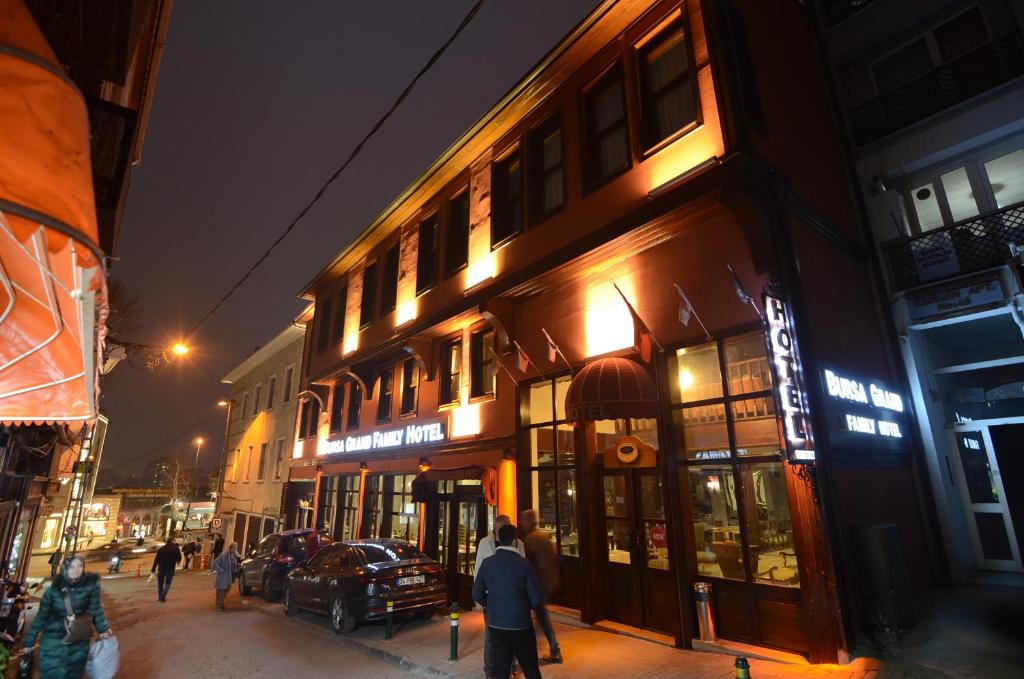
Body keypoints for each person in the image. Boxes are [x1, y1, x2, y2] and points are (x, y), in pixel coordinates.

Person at [23, 555, 112, 679]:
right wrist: (29, 640)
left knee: (73, 673)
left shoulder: (90, 587)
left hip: (78, 639)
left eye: (80, 566)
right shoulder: (52, 591)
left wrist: (103, 629)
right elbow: (42, 616)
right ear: (65, 568)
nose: (76, 569)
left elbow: (95, 608)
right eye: (72, 566)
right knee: (52, 672)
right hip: (54, 638)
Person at [473, 524, 543, 679]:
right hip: (521, 625)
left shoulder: (487, 563)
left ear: (499, 540)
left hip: (496, 625)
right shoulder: (523, 564)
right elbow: (536, 598)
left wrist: (491, 604)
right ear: (515, 541)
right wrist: (524, 606)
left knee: (499, 670)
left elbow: (476, 594)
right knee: (530, 668)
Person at [475, 515, 525, 679]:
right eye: (498, 530)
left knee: (511, 636)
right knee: (491, 638)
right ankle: (490, 670)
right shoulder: (485, 543)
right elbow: (478, 571)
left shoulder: (520, 545)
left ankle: (510, 667)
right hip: (491, 598)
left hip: (513, 599)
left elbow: (523, 571)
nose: (499, 533)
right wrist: (480, 599)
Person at [520, 509, 563, 663]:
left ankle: (527, 653)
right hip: (545, 585)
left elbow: (528, 565)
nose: (521, 523)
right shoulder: (544, 536)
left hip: (536, 586)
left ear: (531, 521)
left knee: (525, 619)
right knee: (542, 619)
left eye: (524, 520)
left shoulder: (531, 539)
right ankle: (554, 650)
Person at [151, 536, 182, 602]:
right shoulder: (176, 548)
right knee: (168, 583)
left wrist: (153, 569)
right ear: (172, 541)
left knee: (160, 583)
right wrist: (176, 560)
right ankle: (163, 596)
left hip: (161, 568)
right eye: (174, 540)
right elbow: (179, 557)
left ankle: (160, 597)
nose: (175, 541)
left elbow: (156, 560)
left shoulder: (161, 549)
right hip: (170, 569)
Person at [212, 542, 241, 611]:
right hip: (223, 576)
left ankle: (220, 603)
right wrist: (220, 570)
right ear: (231, 548)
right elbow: (215, 563)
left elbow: (235, 564)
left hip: (228, 576)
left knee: (227, 589)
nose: (235, 549)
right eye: (234, 548)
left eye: (235, 548)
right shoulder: (224, 555)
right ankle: (219, 605)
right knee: (221, 590)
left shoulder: (232, 556)